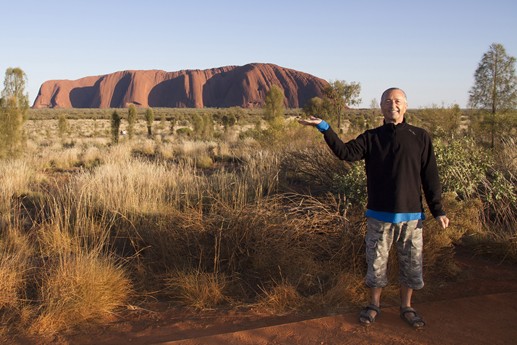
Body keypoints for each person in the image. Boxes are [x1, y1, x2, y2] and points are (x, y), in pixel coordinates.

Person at [298, 87, 449, 329]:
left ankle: (407, 307)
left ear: (406, 106)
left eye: (398, 101)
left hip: (411, 217)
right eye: (388, 101)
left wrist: (438, 210)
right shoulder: (372, 137)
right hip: (379, 215)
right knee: (376, 264)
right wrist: (324, 127)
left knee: (411, 265)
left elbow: (430, 176)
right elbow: (345, 153)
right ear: (381, 107)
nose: (393, 105)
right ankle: (373, 305)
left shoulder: (419, 136)